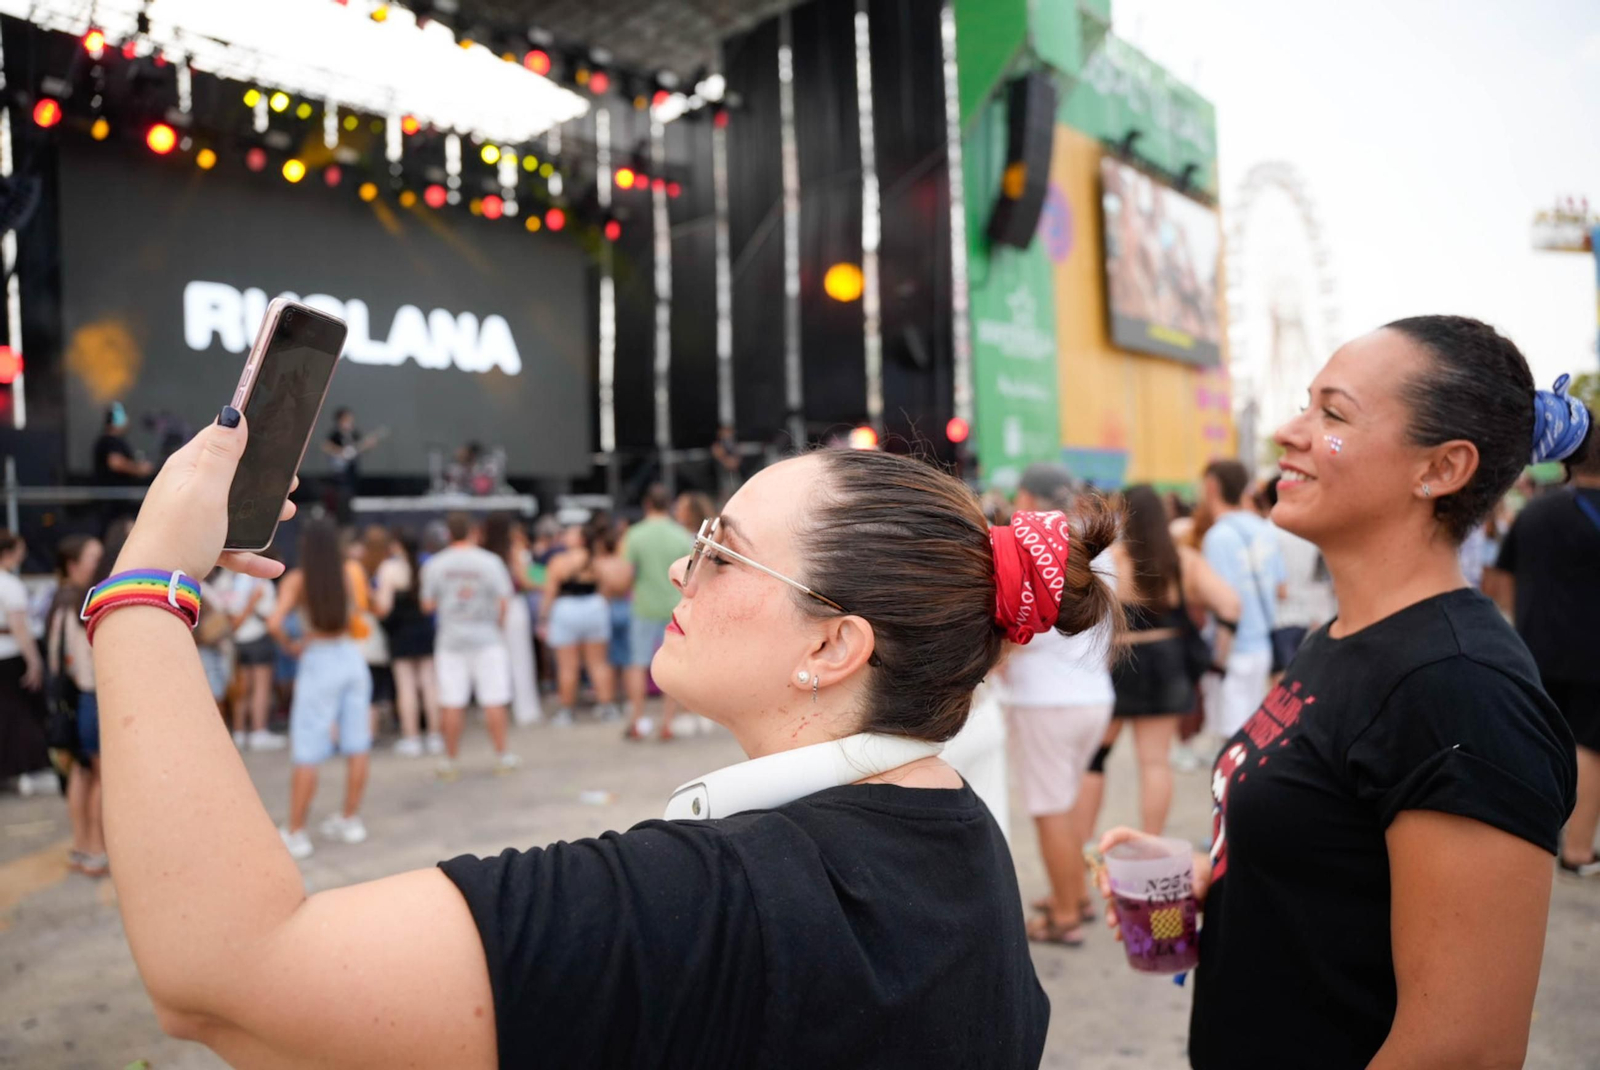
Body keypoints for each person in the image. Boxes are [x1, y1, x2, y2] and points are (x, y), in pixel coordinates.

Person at [91, 413, 1134, 1066]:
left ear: (831, 644)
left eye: (721, 552)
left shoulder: (706, 903)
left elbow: (227, 976)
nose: (682, 570)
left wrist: (145, 582)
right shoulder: (957, 838)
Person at [1100, 316, 1582, 1068]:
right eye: (1306, 404)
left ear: (1442, 468)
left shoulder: (1462, 691)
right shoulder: (1341, 637)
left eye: (1333, 414)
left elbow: (1462, 1051)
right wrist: (1222, 875)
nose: (1288, 432)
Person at [1490, 396, 1600, 877]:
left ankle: (1526, 839)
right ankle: (1577, 852)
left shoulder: (1534, 512)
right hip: (1595, 657)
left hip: (1533, 648)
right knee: (1591, 747)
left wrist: (1519, 622)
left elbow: (1500, 580)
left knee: (1537, 740)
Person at [1094, 485, 1238, 835]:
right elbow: (1231, 605)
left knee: (1094, 759)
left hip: (1119, 662)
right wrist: (1219, 654)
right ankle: (1151, 841)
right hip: (1167, 662)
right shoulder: (1182, 561)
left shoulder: (1111, 560)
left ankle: (1080, 842)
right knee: (1156, 762)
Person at [265, 517, 374, 859]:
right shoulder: (347, 574)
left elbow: (274, 622)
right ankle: (350, 819)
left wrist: (292, 645)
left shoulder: (298, 580)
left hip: (319, 659)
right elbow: (358, 612)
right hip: (351, 656)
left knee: (308, 748)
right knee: (357, 743)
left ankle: (297, 831)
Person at [421, 513, 519, 778]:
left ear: (449, 533)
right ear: (473, 531)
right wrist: (497, 625)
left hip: (451, 640)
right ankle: (502, 755)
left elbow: (427, 604)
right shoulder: (490, 562)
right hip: (487, 637)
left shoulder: (435, 564)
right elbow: (504, 600)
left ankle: (450, 761)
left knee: (451, 702)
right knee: (494, 699)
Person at [1198, 459, 1285, 738]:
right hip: (1262, 645)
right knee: (1251, 734)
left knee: (1231, 739)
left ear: (1212, 486)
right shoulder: (1264, 529)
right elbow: (1281, 588)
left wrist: (1217, 660)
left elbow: (1225, 605)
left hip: (1231, 649)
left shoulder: (1218, 537)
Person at [45, 534, 105, 875]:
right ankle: (97, 849)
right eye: (94, 557)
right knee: (100, 777)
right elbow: (89, 663)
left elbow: (56, 662)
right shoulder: (81, 601)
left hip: (71, 700)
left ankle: (81, 847)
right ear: (73, 564)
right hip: (92, 697)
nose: (100, 563)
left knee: (81, 775)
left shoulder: (58, 599)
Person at [621, 485, 694, 740]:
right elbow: (689, 574)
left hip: (643, 607)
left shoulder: (634, 534)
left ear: (647, 504)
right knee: (672, 663)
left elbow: (626, 574)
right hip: (674, 607)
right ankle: (667, 722)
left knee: (638, 663)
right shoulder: (681, 535)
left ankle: (637, 720)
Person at [539, 519, 624, 726]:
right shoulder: (596, 560)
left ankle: (566, 711)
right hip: (594, 608)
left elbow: (550, 591)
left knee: (567, 666)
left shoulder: (559, 561)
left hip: (566, 609)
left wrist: (543, 617)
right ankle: (607, 707)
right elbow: (606, 588)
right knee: (598, 663)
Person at [373, 529, 441, 757]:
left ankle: (412, 737)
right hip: (424, 631)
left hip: (401, 634)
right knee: (429, 684)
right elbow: (432, 603)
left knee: (406, 687)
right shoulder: (426, 566)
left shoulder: (389, 569)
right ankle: (434, 735)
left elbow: (384, 607)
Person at [1261, 475, 1336, 655]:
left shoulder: (1266, 530)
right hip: (1307, 616)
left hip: (1278, 617)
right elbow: (1322, 578)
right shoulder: (1309, 528)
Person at [0, 530, 50, 792]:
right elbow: (20, 627)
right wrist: (34, 662)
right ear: (8, 553)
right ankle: (23, 769)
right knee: (18, 715)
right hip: (11, 655)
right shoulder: (9, 585)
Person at [482, 513, 542, 727]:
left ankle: (496, 708)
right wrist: (547, 581)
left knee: (493, 661)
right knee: (520, 659)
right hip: (512, 606)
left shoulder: (485, 553)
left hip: (489, 608)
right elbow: (525, 580)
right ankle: (525, 709)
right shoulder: (514, 551)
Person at [222, 569, 284, 750]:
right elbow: (270, 613)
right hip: (258, 638)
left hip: (237, 641)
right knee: (261, 688)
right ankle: (258, 731)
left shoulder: (229, 579)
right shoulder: (261, 581)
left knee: (241, 689)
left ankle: (239, 732)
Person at [93, 402, 155, 486]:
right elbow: (115, 463)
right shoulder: (110, 441)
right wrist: (139, 469)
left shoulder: (111, 440)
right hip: (113, 491)